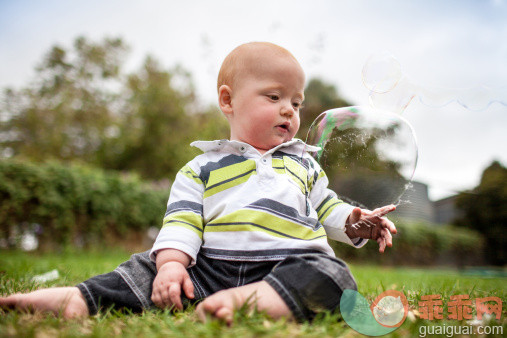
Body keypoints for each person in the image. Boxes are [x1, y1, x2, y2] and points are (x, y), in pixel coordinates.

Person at [0, 42, 397, 323]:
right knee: (146, 270)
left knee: (335, 276)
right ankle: (79, 299)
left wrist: (356, 221)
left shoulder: (303, 164)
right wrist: (173, 265)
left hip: (289, 263)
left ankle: (251, 301)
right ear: (228, 100)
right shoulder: (203, 167)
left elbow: (326, 206)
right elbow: (183, 220)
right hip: (210, 270)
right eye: (273, 97)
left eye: (296, 102)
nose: (288, 111)